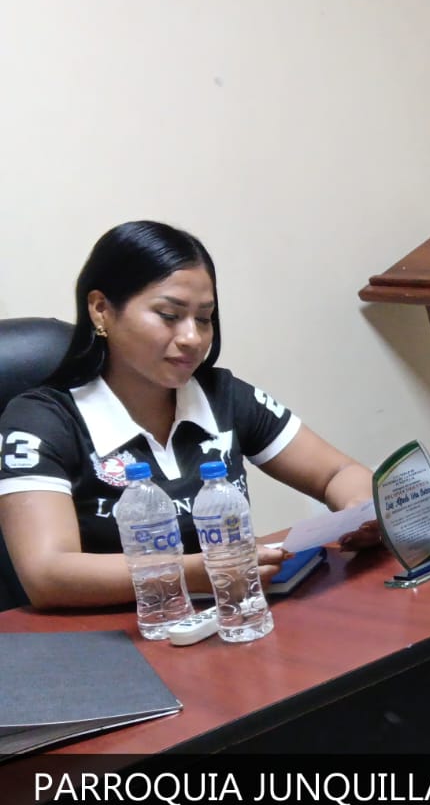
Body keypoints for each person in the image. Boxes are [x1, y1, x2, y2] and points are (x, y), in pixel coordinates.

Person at [0, 221, 377, 609]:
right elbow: (47, 573)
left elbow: (339, 472)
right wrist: (196, 570)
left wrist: (360, 511)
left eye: (203, 318)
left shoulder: (221, 395)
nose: (192, 338)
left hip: (232, 616)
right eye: (169, 315)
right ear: (101, 309)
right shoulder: (42, 420)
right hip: (114, 633)